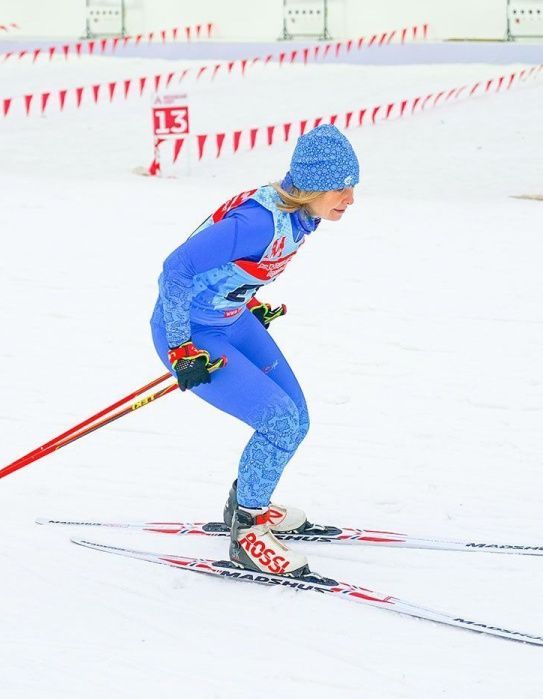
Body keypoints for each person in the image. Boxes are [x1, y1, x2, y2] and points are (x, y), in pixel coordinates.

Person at [150, 124, 359, 577]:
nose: (350, 198)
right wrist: (180, 346)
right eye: (341, 188)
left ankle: (248, 501)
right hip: (192, 332)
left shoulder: (302, 216)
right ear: (313, 185)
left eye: (353, 187)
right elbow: (176, 267)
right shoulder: (257, 222)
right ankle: (247, 534)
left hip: (230, 319)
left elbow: (235, 268)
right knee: (278, 422)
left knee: (296, 419)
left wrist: (244, 298)